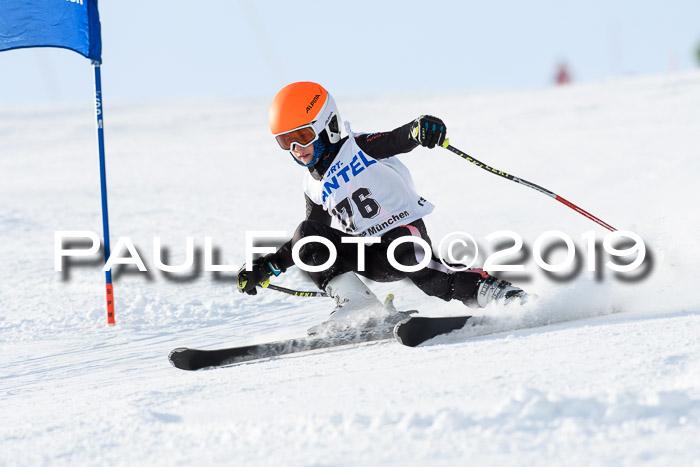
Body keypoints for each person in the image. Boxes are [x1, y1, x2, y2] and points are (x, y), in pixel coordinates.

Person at [237, 81, 524, 326]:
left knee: (428, 277)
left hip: (403, 236)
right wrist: (269, 266)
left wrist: (418, 129)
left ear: (327, 125)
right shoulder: (312, 184)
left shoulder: (358, 147)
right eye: (286, 142)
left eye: (303, 136)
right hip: (369, 254)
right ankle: (358, 304)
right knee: (306, 234)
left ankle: (497, 293)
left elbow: (395, 140)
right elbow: (311, 241)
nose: (297, 150)